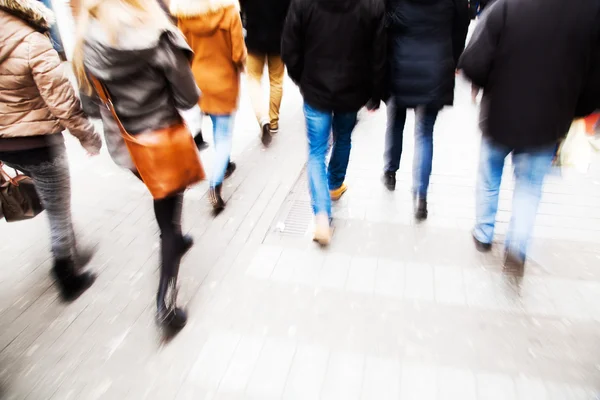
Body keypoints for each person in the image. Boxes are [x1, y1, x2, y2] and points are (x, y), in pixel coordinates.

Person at [73, 0, 200, 329]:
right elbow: (189, 98)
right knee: (168, 215)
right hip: (163, 142)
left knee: (162, 197)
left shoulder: (84, 45)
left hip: (128, 149)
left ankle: (178, 238)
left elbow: (89, 106)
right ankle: (166, 307)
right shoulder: (158, 37)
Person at [459, 0, 600, 272]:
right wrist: (574, 109)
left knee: (490, 175)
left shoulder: (506, 6)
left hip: (500, 113)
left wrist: (494, 83)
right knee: (530, 187)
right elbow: (594, 79)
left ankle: (483, 232)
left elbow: (474, 64)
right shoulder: (590, 12)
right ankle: (517, 247)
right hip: (548, 121)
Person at [0, 0, 102, 300]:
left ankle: (76, 249)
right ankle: (67, 276)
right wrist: (89, 137)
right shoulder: (33, 40)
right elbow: (62, 101)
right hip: (39, 144)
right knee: (57, 210)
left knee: (56, 202)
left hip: (5, 146)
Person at [282, 0, 386, 245]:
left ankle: (321, 215)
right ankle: (335, 184)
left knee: (317, 151)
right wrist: (375, 91)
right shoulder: (372, 5)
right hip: (351, 90)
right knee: (343, 138)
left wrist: (302, 78)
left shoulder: (302, 3)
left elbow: (289, 48)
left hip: (316, 89)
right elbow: (379, 53)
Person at [382, 0, 469, 222]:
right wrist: (453, 58)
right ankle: (421, 195)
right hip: (436, 66)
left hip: (401, 62)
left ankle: (391, 170)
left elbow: (384, 22)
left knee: (396, 119)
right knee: (425, 132)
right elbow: (462, 23)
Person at [171, 0, 246, 212]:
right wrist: (241, 67)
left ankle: (226, 163)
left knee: (214, 129)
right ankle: (215, 186)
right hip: (224, 81)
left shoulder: (184, 16)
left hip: (197, 82)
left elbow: (181, 52)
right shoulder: (229, 12)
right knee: (223, 135)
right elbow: (238, 54)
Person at [240, 0, 291, 146]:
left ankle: (263, 118)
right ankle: (273, 121)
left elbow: (240, 9)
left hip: (254, 40)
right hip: (278, 40)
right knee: (276, 81)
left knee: (253, 80)